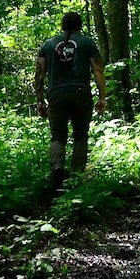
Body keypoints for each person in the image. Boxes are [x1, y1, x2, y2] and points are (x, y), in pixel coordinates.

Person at [34, 11, 108, 192]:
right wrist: (102, 97)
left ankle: (57, 168)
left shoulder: (48, 45)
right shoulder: (87, 43)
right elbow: (98, 70)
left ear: (62, 25)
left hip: (56, 95)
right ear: (79, 25)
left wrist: (40, 100)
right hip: (81, 94)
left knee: (58, 136)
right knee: (80, 136)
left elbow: (39, 74)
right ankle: (75, 178)